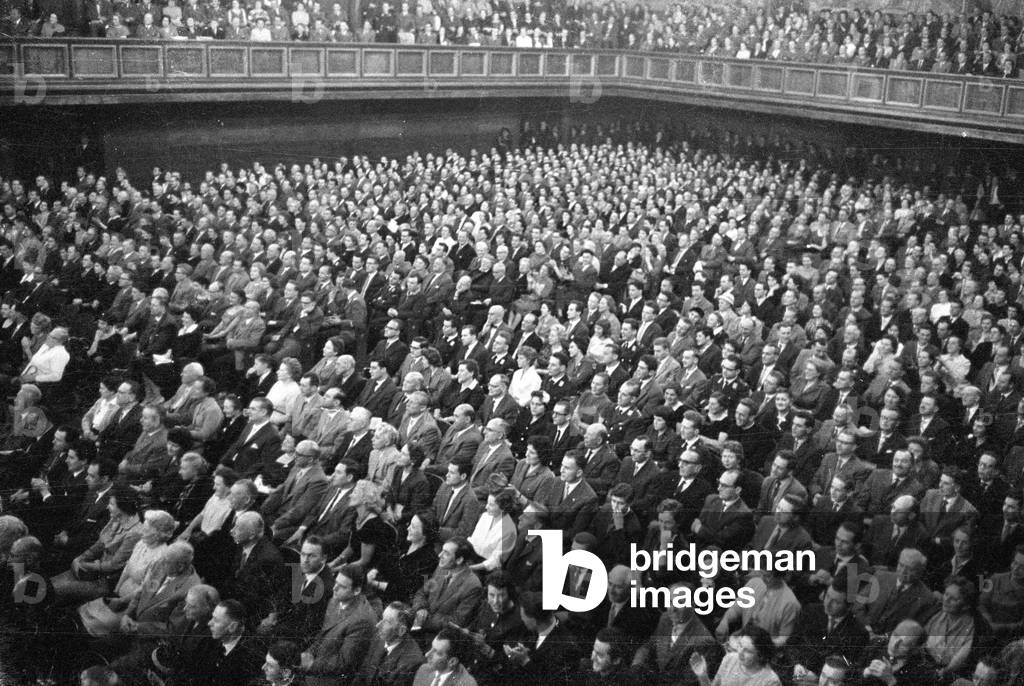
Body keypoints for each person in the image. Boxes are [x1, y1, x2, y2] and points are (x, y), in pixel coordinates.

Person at [689, 624, 781, 686]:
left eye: (748, 651)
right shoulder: (730, 659)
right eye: (740, 645)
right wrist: (702, 676)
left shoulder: (770, 681)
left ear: (761, 655)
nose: (740, 653)